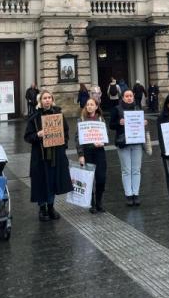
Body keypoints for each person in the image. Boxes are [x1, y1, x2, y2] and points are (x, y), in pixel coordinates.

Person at [24, 90, 73, 221]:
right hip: (40, 156)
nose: (47, 100)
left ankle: (51, 206)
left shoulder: (58, 114)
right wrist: (37, 135)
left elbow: (66, 131)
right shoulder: (34, 118)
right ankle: (42, 208)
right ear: (40, 101)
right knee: (41, 181)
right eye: (44, 98)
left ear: (52, 100)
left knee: (52, 180)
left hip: (55, 154)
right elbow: (27, 137)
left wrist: (63, 145)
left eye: (49, 98)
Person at [109, 89, 147, 206]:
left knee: (136, 170)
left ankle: (136, 194)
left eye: (131, 96)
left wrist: (144, 122)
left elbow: (141, 123)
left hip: (136, 142)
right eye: (127, 96)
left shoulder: (138, 108)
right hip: (123, 143)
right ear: (123, 97)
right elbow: (111, 125)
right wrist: (119, 123)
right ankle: (128, 195)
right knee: (126, 170)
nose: (129, 98)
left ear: (133, 96)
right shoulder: (117, 109)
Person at [75, 98, 107, 213]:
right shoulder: (81, 120)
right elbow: (78, 139)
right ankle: (92, 203)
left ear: (96, 106)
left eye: (91, 104)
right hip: (87, 152)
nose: (89, 106)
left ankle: (99, 201)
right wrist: (80, 155)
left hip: (99, 152)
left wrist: (103, 142)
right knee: (89, 179)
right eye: (87, 104)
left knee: (101, 178)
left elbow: (105, 136)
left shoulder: (101, 119)